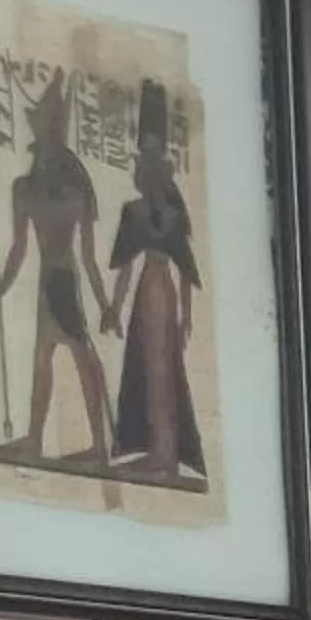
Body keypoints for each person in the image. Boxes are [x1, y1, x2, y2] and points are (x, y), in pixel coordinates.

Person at [0, 74, 111, 471]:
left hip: (62, 281)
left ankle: (95, 445)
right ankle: (39, 438)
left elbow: (87, 256)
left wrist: (106, 304)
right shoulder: (29, 188)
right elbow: (20, 246)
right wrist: (3, 283)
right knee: (47, 357)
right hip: (51, 281)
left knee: (77, 355)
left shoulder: (69, 189)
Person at [100, 82, 204, 485]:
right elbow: (126, 266)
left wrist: (187, 316)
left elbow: (187, 269)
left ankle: (166, 453)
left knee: (163, 370)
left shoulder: (172, 217)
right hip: (149, 290)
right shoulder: (134, 211)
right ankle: (158, 450)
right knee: (150, 368)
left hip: (160, 291)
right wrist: (113, 306)